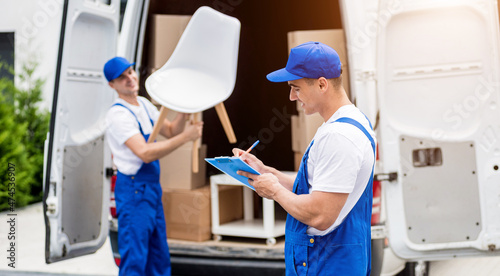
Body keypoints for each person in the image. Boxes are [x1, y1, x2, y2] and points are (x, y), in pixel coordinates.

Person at [236, 42, 376, 275]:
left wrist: (274, 192)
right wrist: (266, 172)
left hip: (325, 262)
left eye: (296, 87)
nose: (291, 97)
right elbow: (317, 188)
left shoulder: (339, 136)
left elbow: (320, 214)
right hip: (333, 259)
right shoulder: (351, 122)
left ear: (322, 84)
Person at [103, 56, 203, 276]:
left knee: (158, 256)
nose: (130, 79)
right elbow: (145, 153)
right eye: (122, 77)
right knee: (135, 259)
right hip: (133, 191)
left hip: (151, 191)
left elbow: (170, 131)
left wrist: (184, 110)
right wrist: (187, 137)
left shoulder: (145, 105)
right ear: (112, 85)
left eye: (130, 72)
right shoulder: (118, 115)